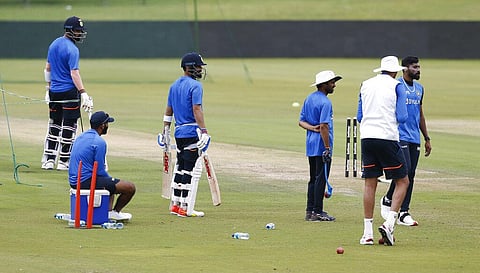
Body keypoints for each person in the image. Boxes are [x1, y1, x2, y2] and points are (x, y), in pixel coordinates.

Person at [356, 56, 409, 246]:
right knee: (403, 180)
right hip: (387, 136)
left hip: (367, 137)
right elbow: (402, 117)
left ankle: (367, 233)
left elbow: (360, 116)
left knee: (370, 183)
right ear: (395, 71)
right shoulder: (397, 86)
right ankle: (389, 223)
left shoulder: (365, 84)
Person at [380, 56, 432, 226]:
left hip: (414, 137)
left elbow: (420, 114)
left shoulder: (420, 88)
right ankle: (388, 199)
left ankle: (404, 212)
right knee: (404, 172)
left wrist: (426, 137)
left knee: (411, 174)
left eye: (419, 67)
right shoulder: (396, 86)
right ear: (405, 69)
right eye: (415, 67)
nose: (418, 70)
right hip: (398, 135)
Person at [158, 52, 210, 217]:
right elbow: (197, 109)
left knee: (180, 167)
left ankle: (176, 204)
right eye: (199, 66)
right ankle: (186, 208)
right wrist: (204, 131)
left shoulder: (174, 85)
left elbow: (169, 109)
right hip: (192, 131)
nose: (201, 69)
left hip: (178, 132)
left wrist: (165, 130)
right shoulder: (196, 86)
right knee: (191, 169)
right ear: (190, 67)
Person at [41, 16, 93, 171]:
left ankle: (49, 160)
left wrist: (48, 88)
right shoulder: (73, 49)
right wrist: (83, 92)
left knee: (54, 124)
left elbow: (47, 69)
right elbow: (74, 73)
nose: (79, 34)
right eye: (77, 31)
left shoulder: (54, 44)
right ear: (69, 30)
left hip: (54, 92)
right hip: (69, 92)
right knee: (69, 127)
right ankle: (63, 161)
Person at [69, 111, 136, 221]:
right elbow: (99, 170)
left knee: (110, 182)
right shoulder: (99, 142)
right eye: (107, 124)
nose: (108, 126)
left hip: (75, 180)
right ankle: (115, 212)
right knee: (129, 187)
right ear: (102, 126)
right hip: (85, 180)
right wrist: (110, 180)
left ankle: (108, 212)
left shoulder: (81, 137)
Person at [299, 70, 342, 222]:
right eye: (332, 82)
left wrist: (312, 128)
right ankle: (317, 211)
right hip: (321, 146)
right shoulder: (325, 102)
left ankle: (310, 211)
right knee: (321, 179)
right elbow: (324, 126)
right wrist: (327, 148)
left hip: (310, 145)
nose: (334, 85)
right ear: (324, 85)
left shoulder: (309, 98)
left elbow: (301, 121)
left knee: (313, 179)